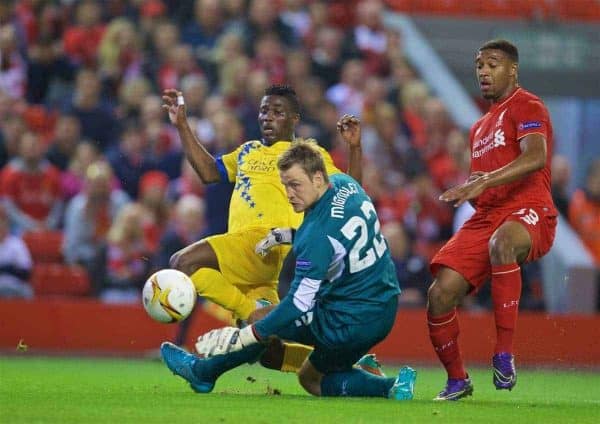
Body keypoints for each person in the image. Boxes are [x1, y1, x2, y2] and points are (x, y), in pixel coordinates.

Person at [160, 140, 416, 399]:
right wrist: (288, 235)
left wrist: (246, 336)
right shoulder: (347, 185)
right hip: (384, 307)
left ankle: (203, 372)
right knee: (309, 378)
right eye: (285, 185)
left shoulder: (316, 236)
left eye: (295, 185)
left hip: (347, 318)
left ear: (317, 178)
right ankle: (392, 386)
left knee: (262, 319)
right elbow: (339, 235)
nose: (289, 193)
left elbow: (298, 303)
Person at [162, 84, 363, 374]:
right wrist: (182, 125)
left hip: (266, 242)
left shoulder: (305, 153)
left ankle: (245, 315)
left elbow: (349, 192)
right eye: (264, 111)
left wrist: (354, 148)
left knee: (182, 262)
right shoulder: (247, 151)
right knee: (267, 350)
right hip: (248, 256)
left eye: (278, 112)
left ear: (295, 119)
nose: (268, 117)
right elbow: (208, 172)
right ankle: (350, 368)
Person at [426, 39, 557, 400]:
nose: (483, 71)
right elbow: (484, 180)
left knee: (503, 243)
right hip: (487, 215)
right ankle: (457, 380)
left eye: (493, 64)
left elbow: (535, 157)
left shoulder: (527, 104)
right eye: (479, 65)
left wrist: (482, 181)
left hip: (529, 207)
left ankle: (503, 352)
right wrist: (471, 187)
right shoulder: (479, 128)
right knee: (439, 295)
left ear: (512, 70)